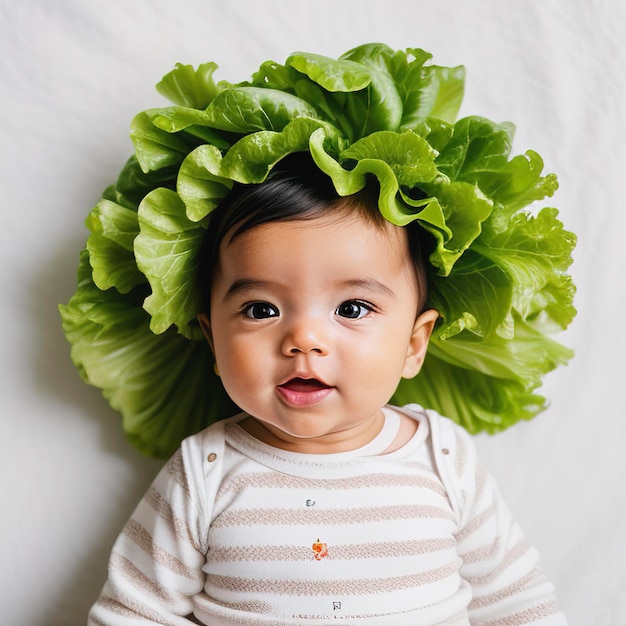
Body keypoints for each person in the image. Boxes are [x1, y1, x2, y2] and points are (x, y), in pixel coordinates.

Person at [87, 155, 567, 625]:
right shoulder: (204, 470)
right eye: (261, 309)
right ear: (214, 341)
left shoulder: (443, 457)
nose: (304, 340)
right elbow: (133, 611)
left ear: (413, 345)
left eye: (353, 309)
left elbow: (514, 602)